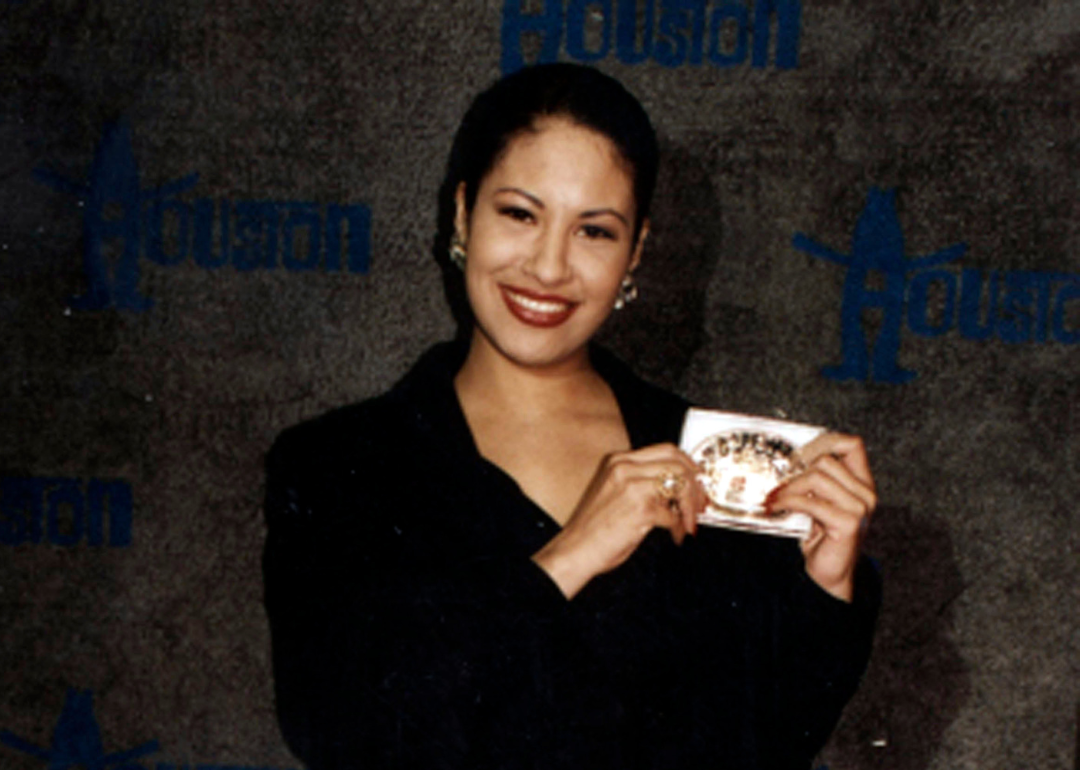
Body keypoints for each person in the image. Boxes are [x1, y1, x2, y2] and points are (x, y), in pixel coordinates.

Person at [262, 63, 880, 770]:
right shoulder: (337, 465)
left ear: (636, 251)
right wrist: (569, 557)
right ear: (463, 215)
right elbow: (346, 732)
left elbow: (762, 743)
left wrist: (824, 585)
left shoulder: (710, 462)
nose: (550, 268)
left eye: (595, 232)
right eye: (520, 214)